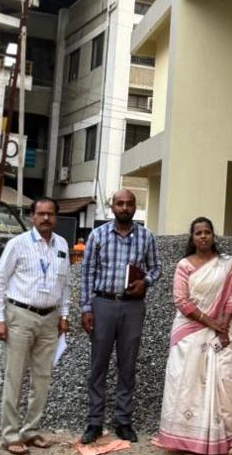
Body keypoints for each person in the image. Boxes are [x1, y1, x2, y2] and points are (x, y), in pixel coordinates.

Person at [156, 217, 232, 455]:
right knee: (187, 383)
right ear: (192, 237)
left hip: (223, 332)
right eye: (199, 233)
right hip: (189, 332)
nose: (204, 236)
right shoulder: (184, 265)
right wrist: (211, 323)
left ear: (213, 236)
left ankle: (230, 438)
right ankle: (186, 439)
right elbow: (181, 301)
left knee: (225, 381)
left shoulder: (227, 265)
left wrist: (223, 325)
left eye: (207, 232)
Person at [79, 189, 162, 445]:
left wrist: (145, 282)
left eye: (129, 204)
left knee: (127, 364)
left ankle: (123, 421)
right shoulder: (98, 235)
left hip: (133, 307)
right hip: (103, 304)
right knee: (99, 365)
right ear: (112, 207)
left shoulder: (146, 236)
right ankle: (95, 422)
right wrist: (86, 308)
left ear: (135, 207)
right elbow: (87, 273)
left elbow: (156, 267)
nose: (124, 208)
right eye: (120, 203)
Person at [0, 197, 70, 455]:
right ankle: (11, 435)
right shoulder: (17, 244)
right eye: (41, 213)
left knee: (42, 379)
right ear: (32, 216)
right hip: (20, 316)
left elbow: (65, 285)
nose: (46, 218)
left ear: (56, 217)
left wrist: (64, 315)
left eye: (50, 214)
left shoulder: (62, 245)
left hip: (50, 319)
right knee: (15, 377)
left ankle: (31, 431)